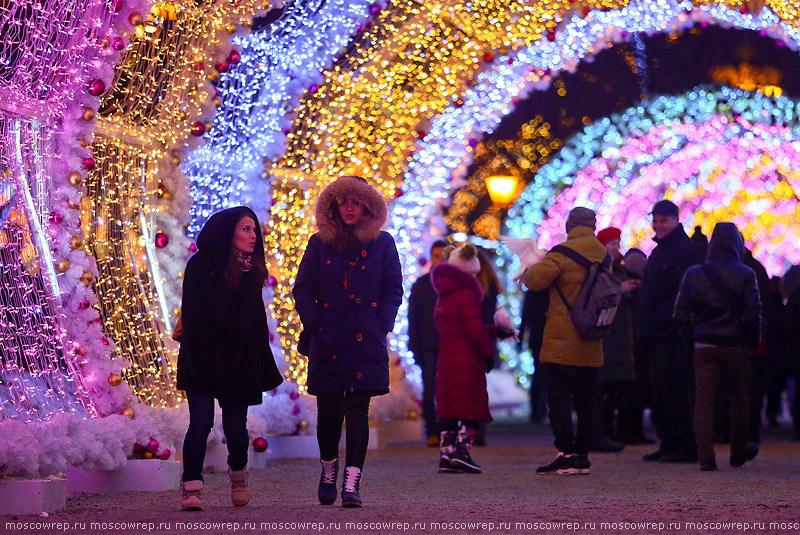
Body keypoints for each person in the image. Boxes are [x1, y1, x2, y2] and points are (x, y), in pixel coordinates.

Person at [293, 175, 402, 508]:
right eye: (344, 202)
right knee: (328, 413)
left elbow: (392, 288)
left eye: (357, 202)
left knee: (357, 412)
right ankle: (329, 469)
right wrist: (315, 324)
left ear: (368, 206)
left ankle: (352, 482)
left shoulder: (382, 243)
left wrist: (380, 324)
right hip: (328, 339)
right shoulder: (319, 243)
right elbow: (303, 288)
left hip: (364, 339)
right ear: (334, 206)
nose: (351, 208)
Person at [176, 206, 284, 511]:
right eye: (246, 229)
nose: (253, 236)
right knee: (200, 423)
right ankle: (191, 486)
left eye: (254, 230)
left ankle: (239, 477)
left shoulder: (252, 269)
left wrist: (259, 363)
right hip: (203, 356)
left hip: (239, 361)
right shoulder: (201, 266)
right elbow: (194, 316)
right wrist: (204, 356)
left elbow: (256, 321)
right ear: (228, 232)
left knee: (237, 428)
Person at [524, 207, 607, 475]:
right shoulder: (604, 254)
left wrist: (534, 263)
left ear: (570, 225)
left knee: (558, 399)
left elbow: (534, 281)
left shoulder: (561, 253)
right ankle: (583, 456)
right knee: (587, 399)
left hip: (562, 339)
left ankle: (566, 454)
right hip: (592, 337)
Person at [673, 222, 761, 470]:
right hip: (736, 344)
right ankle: (738, 452)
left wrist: (692, 336)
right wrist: (752, 341)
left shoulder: (694, 273)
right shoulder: (746, 274)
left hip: (704, 344)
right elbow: (753, 313)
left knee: (703, 400)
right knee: (739, 398)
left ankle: (706, 457)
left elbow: (679, 313)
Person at [432, 244, 508, 474]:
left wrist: (495, 331)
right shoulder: (467, 293)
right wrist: (488, 352)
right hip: (466, 360)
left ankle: (447, 455)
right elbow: (472, 330)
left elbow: (460, 324)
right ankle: (462, 452)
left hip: (447, 359)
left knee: (450, 408)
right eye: (474, 271)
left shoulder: (444, 294)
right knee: (470, 408)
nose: (476, 275)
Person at [636, 199, 703, 463]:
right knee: (661, 391)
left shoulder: (682, 251)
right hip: (657, 332)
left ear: (676, 220)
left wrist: (663, 319)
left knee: (675, 390)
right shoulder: (662, 250)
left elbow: (681, 292)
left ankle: (684, 444)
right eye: (656, 220)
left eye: (663, 220)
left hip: (670, 333)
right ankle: (670, 442)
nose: (658, 225)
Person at [592, 227, 638, 453]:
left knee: (612, 389)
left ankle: (606, 432)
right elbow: (597, 294)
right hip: (607, 335)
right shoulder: (600, 268)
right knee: (603, 389)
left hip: (617, 336)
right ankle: (600, 433)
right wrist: (621, 289)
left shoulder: (617, 268)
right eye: (612, 244)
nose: (616, 249)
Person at [408, 240, 448, 447]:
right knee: (430, 389)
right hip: (429, 346)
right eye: (436, 255)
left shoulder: (456, 283)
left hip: (451, 345)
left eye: (443, 255)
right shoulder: (422, 285)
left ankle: (450, 431)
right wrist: (414, 345)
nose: (439, 260)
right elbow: (413, 317)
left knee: (450, 390)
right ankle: (432, 431)